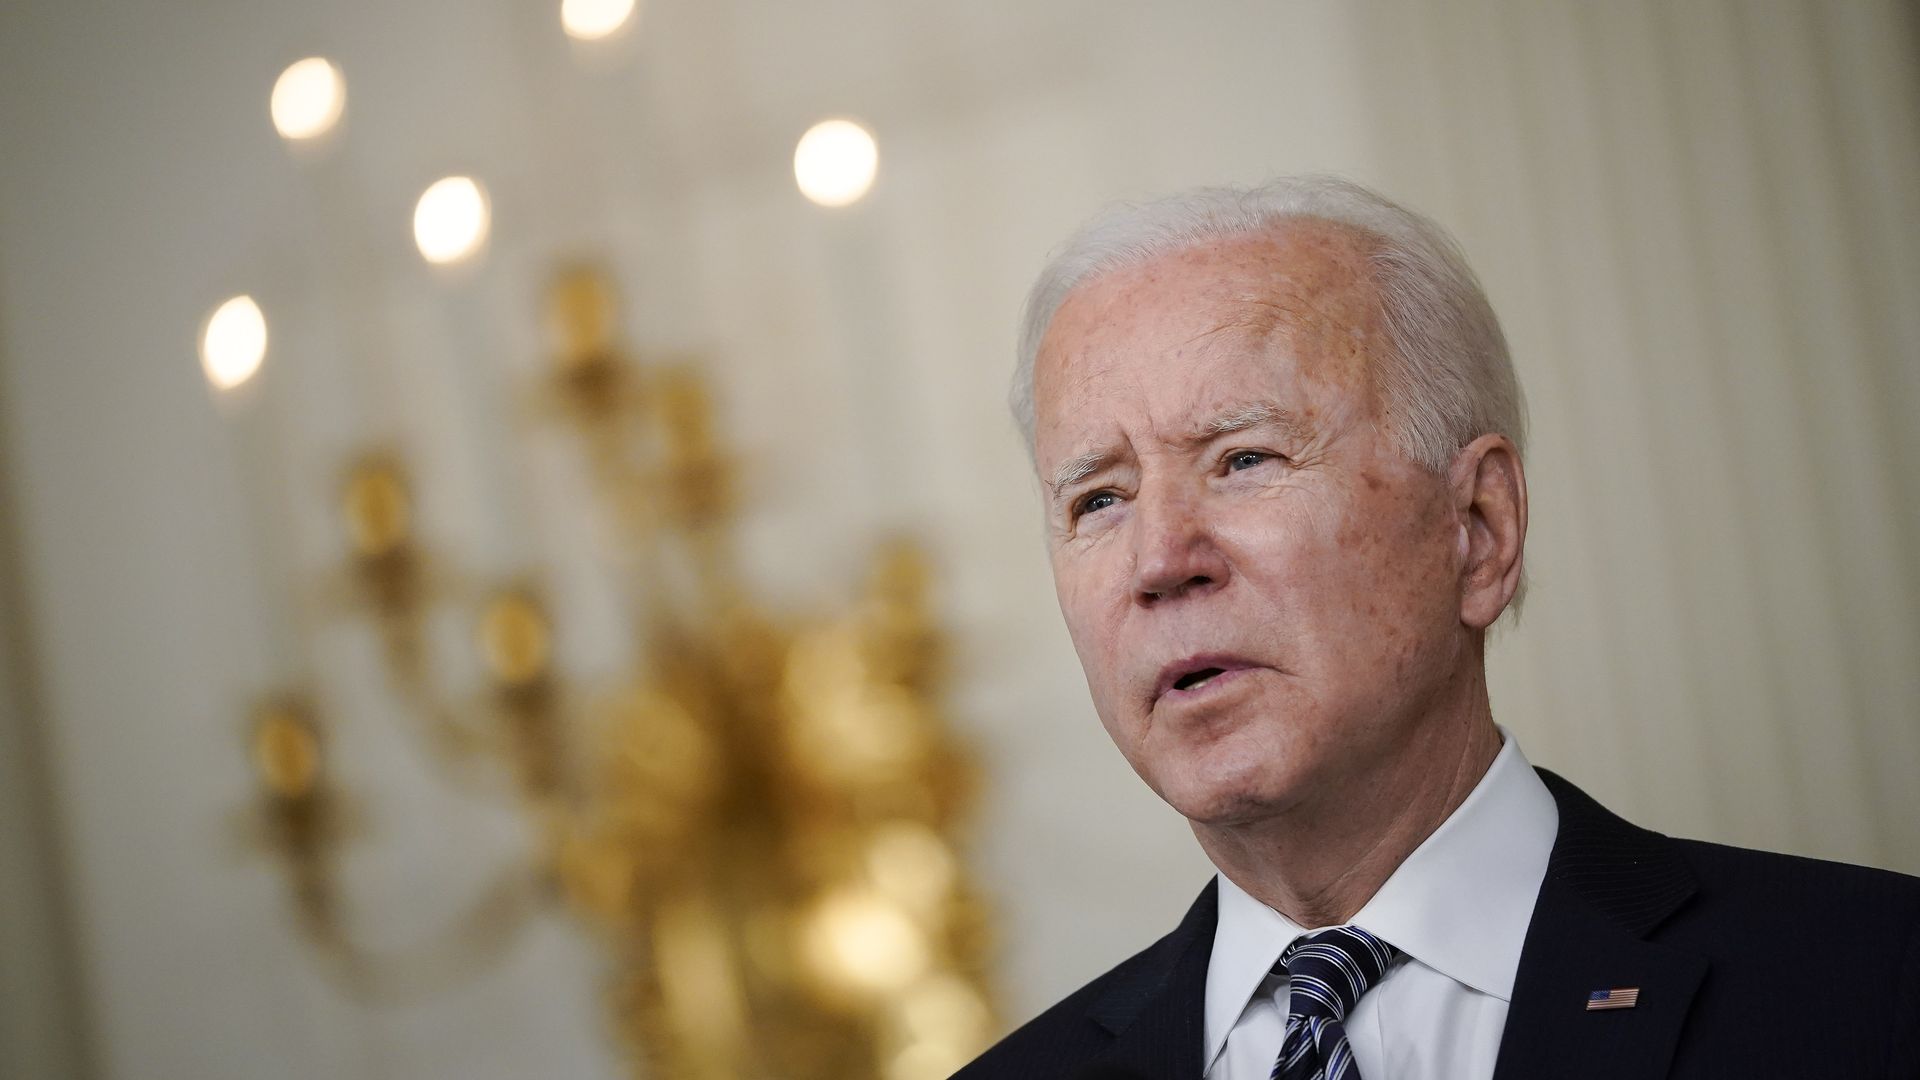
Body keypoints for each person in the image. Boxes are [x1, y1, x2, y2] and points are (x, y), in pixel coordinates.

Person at [955, 176, 1920, 1080]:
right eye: (1098, 500)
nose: (1161, 560)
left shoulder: (1874, 982)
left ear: (1478, 529)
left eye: (1244, 459)